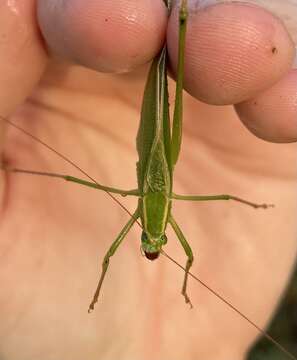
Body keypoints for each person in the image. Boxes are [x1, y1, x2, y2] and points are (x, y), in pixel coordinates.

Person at [0, 1, 296, 359]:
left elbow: (129, 256)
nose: (152, 236)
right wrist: (245, 202)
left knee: (165, 94)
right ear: (161, 235)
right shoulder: (166, 230)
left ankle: (179, 20)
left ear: (143, 234)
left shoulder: (151, 231)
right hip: (167, 159)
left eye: (148, 238)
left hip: (154, 157)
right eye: (156, 239)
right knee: (171, 93)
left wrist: (97, 295)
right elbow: (215, 214)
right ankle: (180, 19)